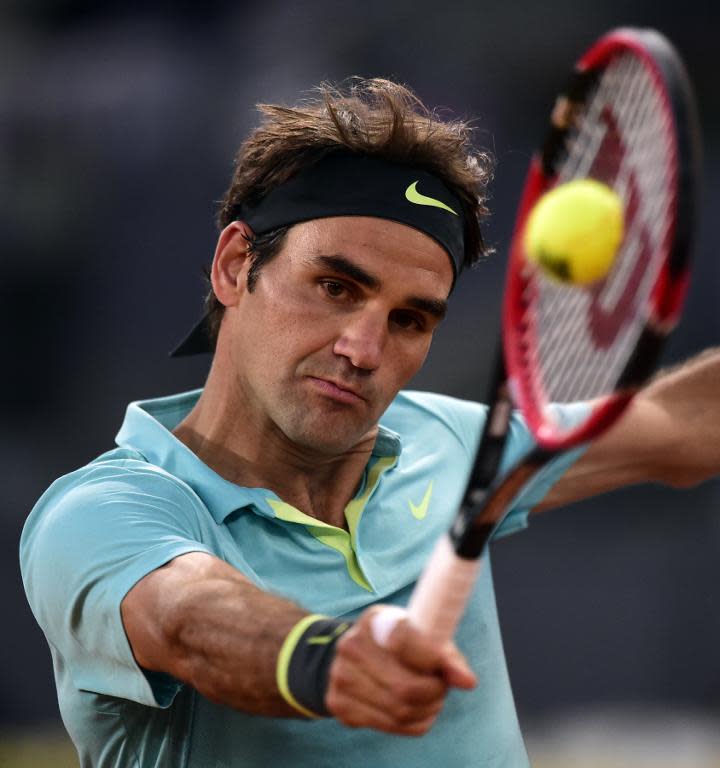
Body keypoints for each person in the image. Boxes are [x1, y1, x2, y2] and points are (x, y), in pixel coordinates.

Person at [20, 79, 719, 768]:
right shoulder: (99, 515)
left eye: (409, 319)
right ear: (236, 266)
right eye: (335, 287)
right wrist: (329, 660)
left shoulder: (458, 445)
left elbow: (686, 425)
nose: (363, 349)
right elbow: (188, 616)